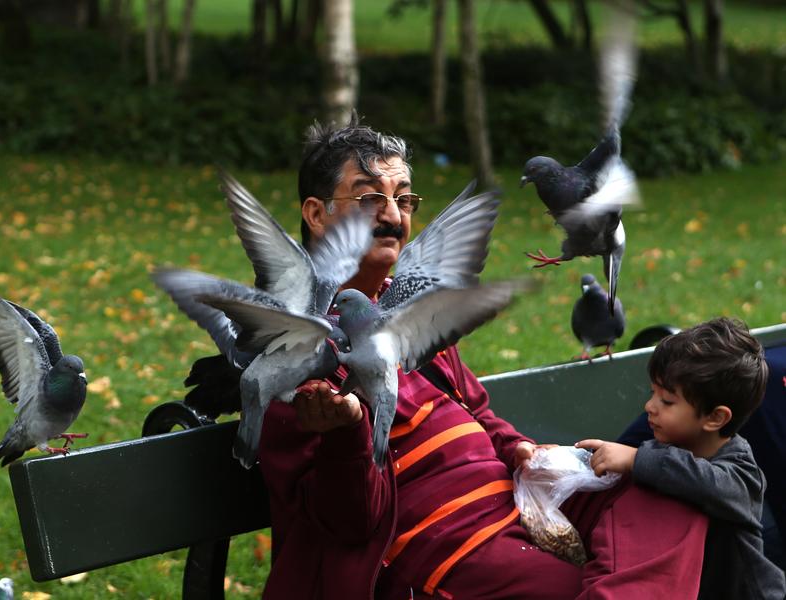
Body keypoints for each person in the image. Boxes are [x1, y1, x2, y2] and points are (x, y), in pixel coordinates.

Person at [256, 115, 709, 600]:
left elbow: (477, 412)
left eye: (404, 199)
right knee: (569, 588)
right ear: (316, 213)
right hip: (436, 547)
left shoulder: (407, 307)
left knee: (671, 497)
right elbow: (347, 525)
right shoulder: (292, 352)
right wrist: (345, 433)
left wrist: (517, 448)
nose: (393, 216)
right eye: (369, 198)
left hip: (515, 502)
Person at [578, 318, 786, 599]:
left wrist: (636, 459)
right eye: (653, 393)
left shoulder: (740, 472)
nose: (649, 406)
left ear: (715, 417)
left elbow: (706, 482)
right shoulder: (668, 441)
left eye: (667, 401)